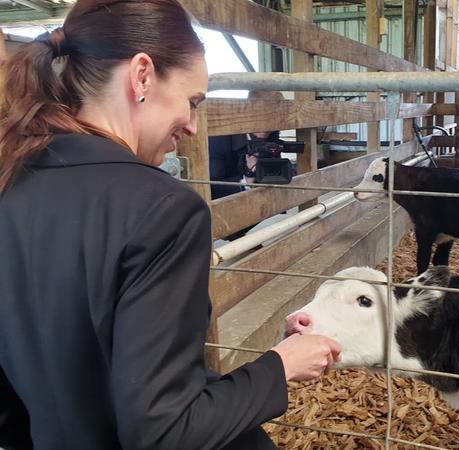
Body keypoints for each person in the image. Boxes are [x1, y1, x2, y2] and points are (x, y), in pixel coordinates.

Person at [0, 1, 341, 450]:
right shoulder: (161, 209)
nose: (194, 127)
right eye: (192, 101)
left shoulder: (12, 180)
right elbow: (165, 430)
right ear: (141, 75)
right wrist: (281, 365)